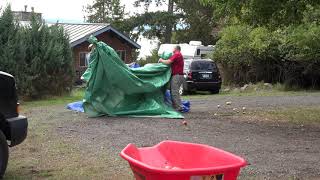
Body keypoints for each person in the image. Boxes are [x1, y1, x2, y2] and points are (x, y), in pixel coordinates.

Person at [159, 45, 184, 112]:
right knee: (174, 91)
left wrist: (161, 60)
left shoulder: (177, 54)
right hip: (178, 76)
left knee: (174, 92)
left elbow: (168, 62)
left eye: (173, 48)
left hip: (177, 76)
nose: (172, 49)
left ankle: (179, 107)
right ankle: (176, 106)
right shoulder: (178, 55)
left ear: (176, 49)